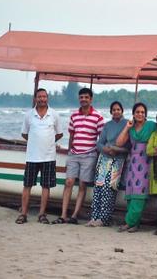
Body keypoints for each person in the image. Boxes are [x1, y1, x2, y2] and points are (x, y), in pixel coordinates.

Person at [52, 88, 104, 225]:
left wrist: (97, 157)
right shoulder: (74, 115)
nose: (83, 99)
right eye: (81, 97)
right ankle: (63, 215)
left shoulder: (98, 117)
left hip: (89, 155)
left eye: (86, 97)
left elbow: (101, 139)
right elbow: (72, 135)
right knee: (68, 182)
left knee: (82, 184)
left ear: (91, 99)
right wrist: (69, 152)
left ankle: (74, 215)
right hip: (74, 154)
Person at [15, 88, 63, 224]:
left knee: (46, 186)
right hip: (32, 156)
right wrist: (35, 142)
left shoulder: (54, 114)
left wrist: (47, 142)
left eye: (44, 96)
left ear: (47, 98)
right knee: (27, 185)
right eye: (39, 97)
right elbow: (24, 134)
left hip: (48, 157)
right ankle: (23, 214)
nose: (42, 99)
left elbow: (59, 134)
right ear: (35, 98)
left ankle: (42, 214)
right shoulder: (29, 115)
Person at [115, 102, 157, 233]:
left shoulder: (151, 125)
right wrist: (127, 127)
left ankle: (128, 223)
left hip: (145, 163)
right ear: (133, 114)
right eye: (137, 112)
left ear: (146, 115)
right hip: (132, 164)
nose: (140, 114)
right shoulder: (131, 128)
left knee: (139, 195)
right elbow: (119, 142)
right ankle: (135, 224)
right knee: (131, 195)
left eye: (142, 112)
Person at [86, 101, 129, 227]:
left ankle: (104, 219)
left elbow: (128, 147)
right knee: (98, 187)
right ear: (111, 112)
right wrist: (106, 149)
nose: (116, 111)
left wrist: (116, 150)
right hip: (104, 158)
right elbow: (99, 143)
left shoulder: (127, 125)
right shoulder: (107, 125)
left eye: (118, 109)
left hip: (118, 160)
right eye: (114, 110)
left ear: (122, 111)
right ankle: (94, 217)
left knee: (109, 188)